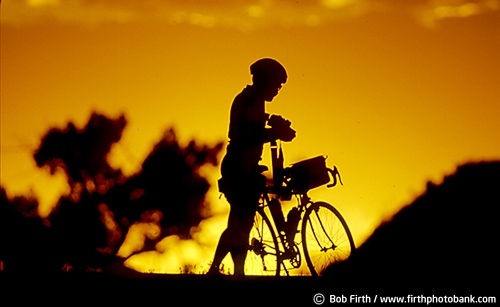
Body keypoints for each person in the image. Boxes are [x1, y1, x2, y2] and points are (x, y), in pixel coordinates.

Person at [208, 58, 296, 275]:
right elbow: (246, 136)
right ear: (264, 81)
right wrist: (274, 133)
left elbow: (255, 124)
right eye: (275, 86)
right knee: (238, 223)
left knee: (242, 224)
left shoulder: (253, 100)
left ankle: (233, 271)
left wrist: (272, 121)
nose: (276, 91)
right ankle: (218, 270)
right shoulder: (249, 101)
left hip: (244, 168)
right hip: (239, 169)